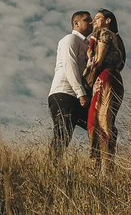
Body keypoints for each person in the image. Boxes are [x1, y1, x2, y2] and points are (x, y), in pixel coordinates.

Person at [84, 8, 126, 173]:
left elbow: (98, 62)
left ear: (108, 20)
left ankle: (102, 168)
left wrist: (87, 81)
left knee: (99, 122)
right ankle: (105, 167)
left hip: (105, 78)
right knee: (106, 121)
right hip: (114, 78)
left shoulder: (104, 33)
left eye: (97, 17)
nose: (93, 21)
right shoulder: (117, 39)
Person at [48, 10, 93, 158]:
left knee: (99, 129)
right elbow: (70, 66)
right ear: (76, 23)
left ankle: (98, 166)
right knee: (63, 136)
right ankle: (51, 168)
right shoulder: (70, 39)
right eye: (87, 20)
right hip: (65, 94)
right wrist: (81, 94)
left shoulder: (88, 45)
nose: (91, 22)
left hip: (79, 96)